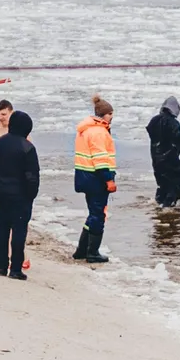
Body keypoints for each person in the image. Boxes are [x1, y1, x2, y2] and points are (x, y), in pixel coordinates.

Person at [0, 109, 41, 278]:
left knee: (2, 231)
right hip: (21, 196)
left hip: (1, 193)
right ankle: (16, 269)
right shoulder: (27, 147)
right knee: (18, 232)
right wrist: (31, 195)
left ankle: (1, 267)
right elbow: (32, 176)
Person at [72, 97, 117, 262]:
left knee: (93, 213)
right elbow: (100, 159)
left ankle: (81, 250)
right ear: (103, 115)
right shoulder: (98, 132)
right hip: (96, 178)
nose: (112, 117)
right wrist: (109, 180)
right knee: (98, 214)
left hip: (84, 176)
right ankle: (92, 253)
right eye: (110, 114)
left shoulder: (85, 130)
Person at [146, 97, 180, 208]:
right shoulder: (173, 122)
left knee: (162, 185)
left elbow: (151, 131)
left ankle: (158, 205)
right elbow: (176, 136)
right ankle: (167, 209)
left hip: (156, 159)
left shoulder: (154, 120)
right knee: (176, 187)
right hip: (170, 161)